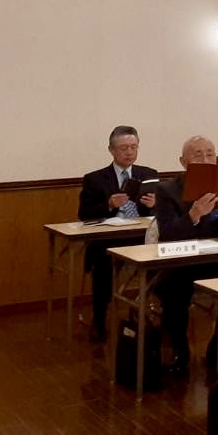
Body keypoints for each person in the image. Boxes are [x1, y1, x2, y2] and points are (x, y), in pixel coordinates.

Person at [152, 135, 218, 373]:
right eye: (198, 155)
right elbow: (167, 234)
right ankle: (179, 350)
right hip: (179, 262)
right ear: (183, 162)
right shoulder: (167, 189)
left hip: (215, 260)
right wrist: (193, 215)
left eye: (210, 154)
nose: (205, 159)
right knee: (175, 290)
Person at [77, 125, 158, 342]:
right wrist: (109, 204)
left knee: (162, 256)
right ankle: (99, 319)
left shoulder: (148, 174)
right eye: (123, 148)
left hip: (140, 235)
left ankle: (156, 313)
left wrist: (154, 205)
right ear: (111, 150)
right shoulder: (95, 179)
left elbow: (160, 213)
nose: (129, 152)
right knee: (103, 264)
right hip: (109, 237)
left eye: (133, 147)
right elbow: (84, 214)